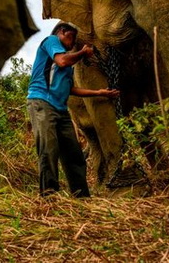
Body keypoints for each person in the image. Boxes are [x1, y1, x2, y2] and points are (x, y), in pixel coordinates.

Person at [26, 21, 119, 197]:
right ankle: (49, 195)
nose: (73, 40)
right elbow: (61, 61)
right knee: (48, 148)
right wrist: (83, 52)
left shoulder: (68, 65)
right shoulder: (52, 41)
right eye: (72, 36)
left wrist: (98, 92)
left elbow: (70, 89)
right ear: (62, 31)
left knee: (74, 154)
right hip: (42, 102)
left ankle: (81, 196)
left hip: (60, 109)